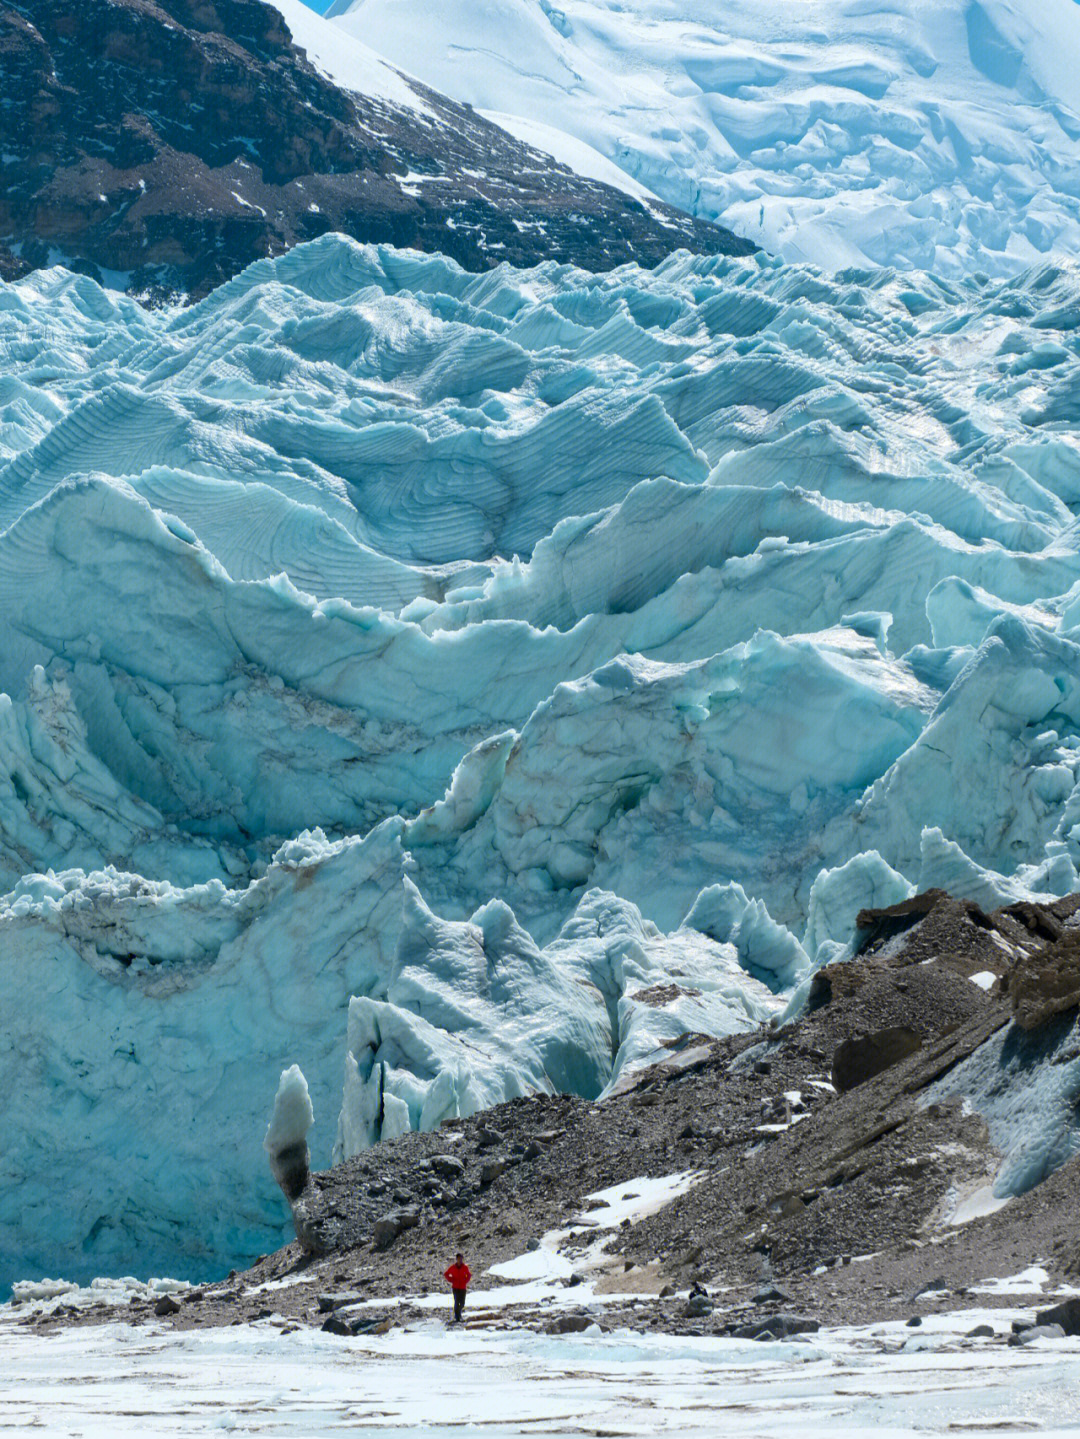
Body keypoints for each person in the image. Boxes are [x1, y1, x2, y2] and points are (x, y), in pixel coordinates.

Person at [444, 1252, 471, 1322]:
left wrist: (465, 1281)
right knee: (456, 1302)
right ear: (456, 1259)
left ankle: (458, 1315)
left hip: (463, 1287)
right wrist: (451, 1280)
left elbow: (469, 1275)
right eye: (459, 1258)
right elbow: (446, 1274)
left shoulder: (465, 1267)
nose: (460, 1260)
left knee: (462, 1303)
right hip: (455, 1287)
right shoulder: (453, 1267)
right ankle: (457, 1317)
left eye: (461, 1258)